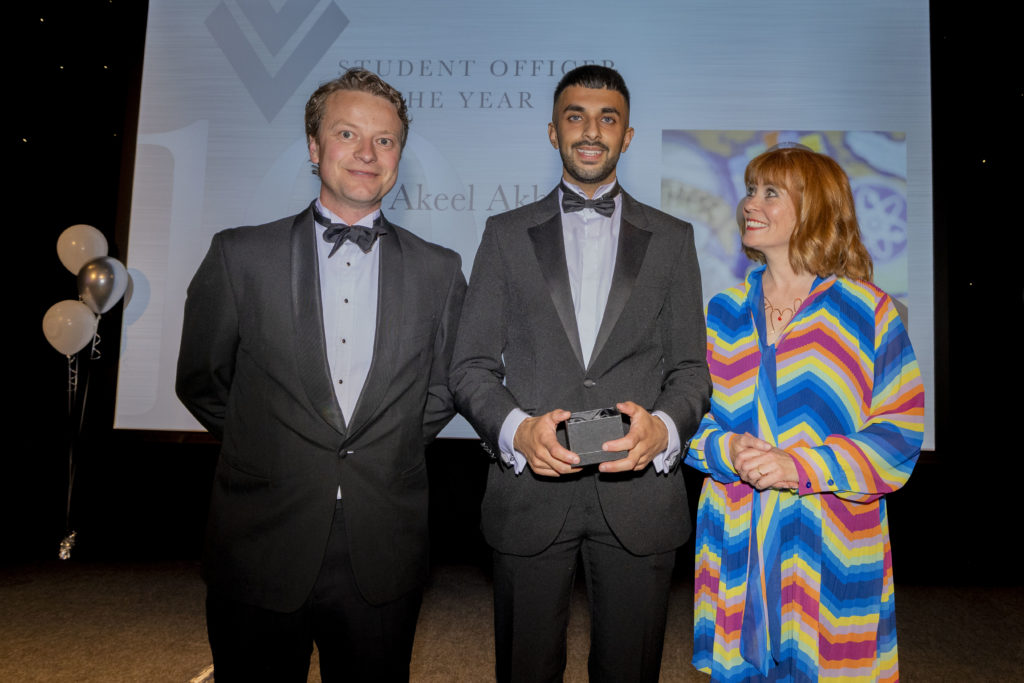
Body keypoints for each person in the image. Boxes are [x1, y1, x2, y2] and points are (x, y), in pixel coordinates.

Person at [175, 68, 466, 682]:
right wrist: (272, 442)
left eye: (384, 140)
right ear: (314, 148)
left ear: (399, 156)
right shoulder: (239, 255)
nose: (367, 153)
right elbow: (202, 380)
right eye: (347, 134)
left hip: (382, 545)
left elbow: (445, 386)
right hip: (260, 538)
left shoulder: (441, 271)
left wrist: (377, 450)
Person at [450, 65, 711, 683]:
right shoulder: (505, 234)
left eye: (608, 118)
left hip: (640, 496)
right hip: (529, 495)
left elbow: (691, 370)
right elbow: (471, 366)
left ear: (628, 135)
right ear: (552, 132)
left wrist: (665, 432)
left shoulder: (674, 239)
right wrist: (516, 431)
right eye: (576, 116)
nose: (591, 131)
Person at [685, 144, 924, 681]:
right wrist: (726, 449)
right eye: (750, 189)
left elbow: (900, 432)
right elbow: (687, 418)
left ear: (814, 207)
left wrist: (801, 467)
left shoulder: (868, 311)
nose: (751, 202)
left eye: (771, 192)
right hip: (736, 537)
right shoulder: (721, 311)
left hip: (829, 541)